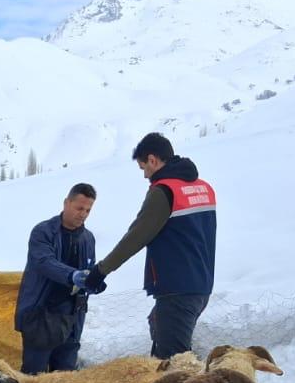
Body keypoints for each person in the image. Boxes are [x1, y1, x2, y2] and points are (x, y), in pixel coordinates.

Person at [93, 132, 217, 358]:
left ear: (152, 160)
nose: (144, 175)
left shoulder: (164, 192)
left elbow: (136, 236)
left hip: (177, 290)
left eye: (143, 168)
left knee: (175, 365)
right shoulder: (203, 188)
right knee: (157, 325)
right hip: (201, 286)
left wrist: (100, 270)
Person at [14, 182, 100, 373]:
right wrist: (73, 275)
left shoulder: (88, 238)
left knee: (64, 380)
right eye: (79, 208)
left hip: (72, 319)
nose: (83, 214)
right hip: (42, 316)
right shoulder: (43, 232)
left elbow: (89, 269)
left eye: (88, 210)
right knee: (34, 379)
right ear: (66, 203)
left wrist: (93, 281)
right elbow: (45, 262)